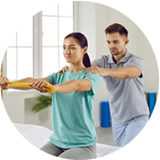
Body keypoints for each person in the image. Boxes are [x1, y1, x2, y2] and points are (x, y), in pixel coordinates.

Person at [0, 32, 101, 159]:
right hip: (57, 142)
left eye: (72, 47)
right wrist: (8, 85)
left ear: (84, 50)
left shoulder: (92, 76)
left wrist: (53, 88)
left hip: (83, 145)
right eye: (64, 47)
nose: (67, 52)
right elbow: (32, 81)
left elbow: (76, 85)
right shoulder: (59, 75)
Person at [60, 23, 149, 147]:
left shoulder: (135, 60)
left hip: (137, 117)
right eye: (109, 42)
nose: (112, 46)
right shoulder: (103, 61)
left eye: (116, 42)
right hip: (117, 119)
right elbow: (83, 68)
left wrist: (104, 71)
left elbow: (130, 72)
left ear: (126, 41)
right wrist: (69, 68)